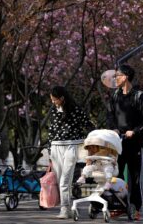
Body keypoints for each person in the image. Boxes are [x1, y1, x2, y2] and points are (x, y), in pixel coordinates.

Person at [107, 64, 143, 221]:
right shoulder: (114, 96)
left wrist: (134, 131)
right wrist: (113, 128)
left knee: (135, 178)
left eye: (117, 75)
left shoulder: (139, 96)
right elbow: (110, 115)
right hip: (118, 144)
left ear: (125, 76)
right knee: (116, 176)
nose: (115, 78)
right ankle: (119, 206)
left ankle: (135, 208)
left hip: (135, 144)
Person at [48, 86, 94, 219]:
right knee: (61, 181)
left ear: (62, 98)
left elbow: (88, 125)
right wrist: (49, 151)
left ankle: (64, 209)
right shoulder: (54, 110)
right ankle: (67, 208)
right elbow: (51, 131)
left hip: (72, 146)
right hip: (56, 147)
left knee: (65, 179)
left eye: (54, 99)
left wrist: (96, 138)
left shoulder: (76, 110)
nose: (53, 102)